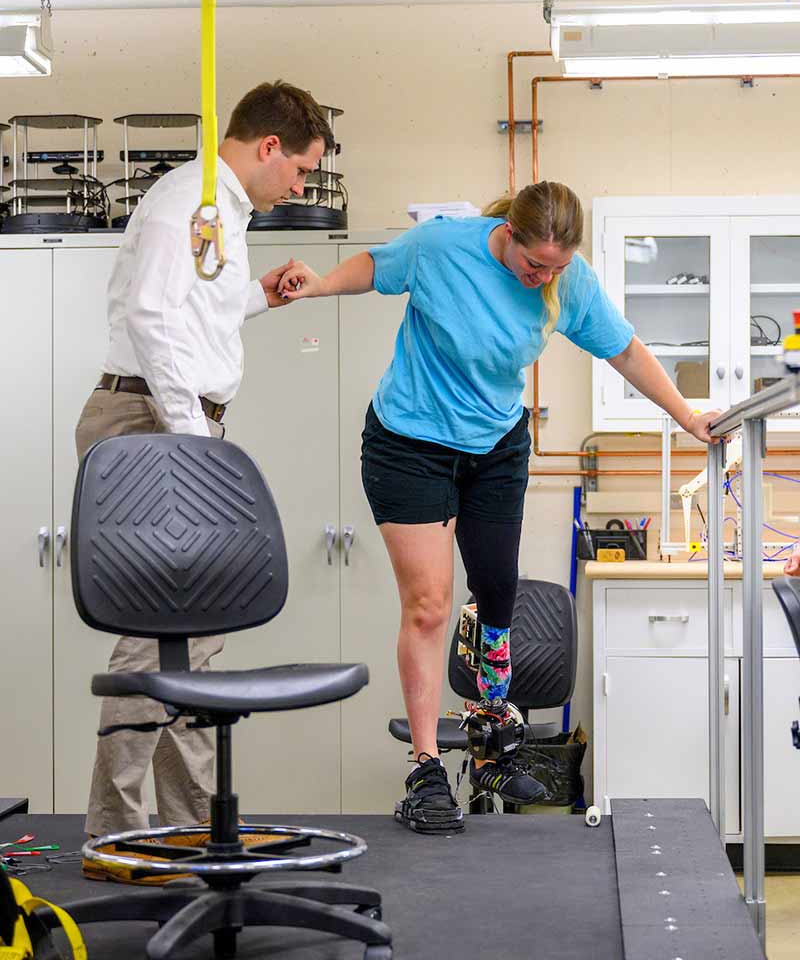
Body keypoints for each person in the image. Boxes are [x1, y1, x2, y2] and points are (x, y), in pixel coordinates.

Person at [274, 181, 721, 834]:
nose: (543, 277)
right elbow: (377, 267)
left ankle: (490, 739)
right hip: (410, 442)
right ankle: (427, 770)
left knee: (497, 591)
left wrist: (687, 416)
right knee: (430, 602)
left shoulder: (566, 282)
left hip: (497, 445)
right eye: (534, 263)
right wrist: (315, 286)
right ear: (507, 233)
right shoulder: (442, 248)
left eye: (557, 267)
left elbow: (622, 347)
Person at [75, 80, 334, 869]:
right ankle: (114, 834)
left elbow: (189, 314)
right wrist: (191, 441)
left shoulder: (219, 211)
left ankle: (185, 828)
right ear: (267, 147)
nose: (300, 187)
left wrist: (255, 297)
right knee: (153, 639)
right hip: (151, 424)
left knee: (194, 641)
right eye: (299, 170)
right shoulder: (189, 198)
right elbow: (152, 321)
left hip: (172, 421)